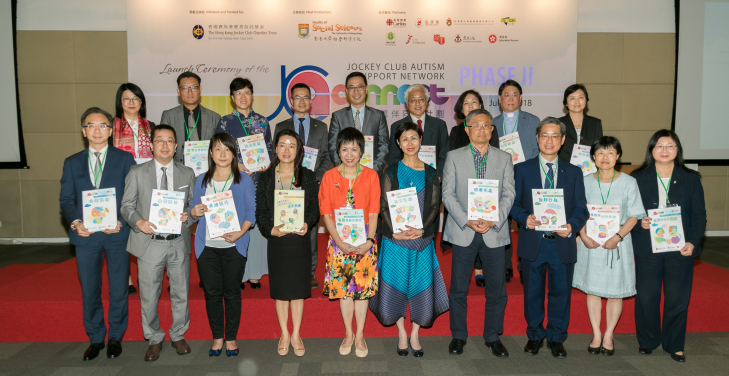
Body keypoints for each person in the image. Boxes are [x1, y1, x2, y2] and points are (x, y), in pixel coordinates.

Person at [59, 107, 136, 361]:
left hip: (116, 233)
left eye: (102, 125)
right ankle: (95, 338)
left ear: (111, 131)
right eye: (91, 125)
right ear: (84, 131)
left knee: (118, 289)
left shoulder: (125, 159)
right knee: (90, 289)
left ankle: (115, 337)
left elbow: (132, 197)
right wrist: (76, 222)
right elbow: (66, 200)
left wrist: (122, 222)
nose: (97, 130)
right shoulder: (71, 162)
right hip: (86, 236)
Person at [369, 122, 449, 358]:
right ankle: (402, 332)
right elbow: (384, 206)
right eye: (405, 139)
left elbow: (435, 207)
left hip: (421, 240)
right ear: (398, 143)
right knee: (397, 285)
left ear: (420, 140)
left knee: (419, 286)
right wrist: (395, 231)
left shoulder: (432, 172)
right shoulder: (391, 172)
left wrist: (421, 229)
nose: (410, 143)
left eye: (414, 138)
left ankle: (415, 333)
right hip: (395, 241)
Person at [510, 117, 588, 359]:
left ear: (563, 140)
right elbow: (512, 203)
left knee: (560, 294)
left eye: (555, 136)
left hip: (562, 243)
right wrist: (525, 218)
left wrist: (572, 226)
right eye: (545, 135)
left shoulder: (574, 172)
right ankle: (534, 335)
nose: (549, 140)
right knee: (532, 293)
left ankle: (556, 337)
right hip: (533, 242)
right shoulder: (522, 169)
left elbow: (581, 208)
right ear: (537, 138)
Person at [442, 109, 515, 357]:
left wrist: (493, 220)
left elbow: (509, 194)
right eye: (476, 125)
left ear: (492, 130)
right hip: (464, 230)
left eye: (486, 125)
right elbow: (448, 194)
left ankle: (493, 336)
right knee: (459, 288)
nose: (482, 129)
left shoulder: (504, 158)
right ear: (467, 129)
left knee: (497, 289)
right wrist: (467, 220)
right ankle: (458, 336)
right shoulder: (453, 157)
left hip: (494, 232)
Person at [120, 124, 196, 361]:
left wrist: (188, 215)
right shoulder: (137, 172)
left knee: (181, 292)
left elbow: (190, 206)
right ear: (151, 145)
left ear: (176, 146)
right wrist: (138, 221)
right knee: (149, 295)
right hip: (149, 242)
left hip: (178, 242)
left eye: (169, 141)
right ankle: (153, 337)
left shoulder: (187, 173)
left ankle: (178, 334)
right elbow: (126, 206)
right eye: (159, 140)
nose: (164, 145)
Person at [631, 129, 706, 363]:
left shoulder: (691, 178)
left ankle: (675, 344)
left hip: (679, 248)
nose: (664, 150)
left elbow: (699, 215)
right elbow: (629, 212)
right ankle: (648, 340)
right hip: (648, 247)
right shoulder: (637, 177)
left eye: (670, 146)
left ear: (677, 150)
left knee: (677, 297)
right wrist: (639, 222)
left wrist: (693, 242)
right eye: (659, 146)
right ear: (651, 150)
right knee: (646, 296)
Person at [572, 136, 645, 356]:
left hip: (618, 244)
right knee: (592, 291)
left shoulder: (628, 182)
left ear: (618, 156)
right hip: (590, 243)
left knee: (615, 293)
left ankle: (609, 334)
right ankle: (596, 333)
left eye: (611, 152)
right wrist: (582, 235)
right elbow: (576, 212)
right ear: (593, 156)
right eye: (601, 153)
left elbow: (634, 215)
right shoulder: (583, 181)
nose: (605, 157)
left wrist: (618, 236)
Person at [189, 133, 256, 357]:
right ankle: (217, 337)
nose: (222, 154)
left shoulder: (244, 179)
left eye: (227, 149)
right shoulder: (201, 180)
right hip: (206, 246)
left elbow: (250, 211)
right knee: (212, 294)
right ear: (210, 153)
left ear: (234, 153)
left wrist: (240, 232)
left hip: (233, 246)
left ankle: (231, 338)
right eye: (217, 149)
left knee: (232, 293)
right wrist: (193, 212)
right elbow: (193, 212)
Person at [256, 129, 320, 357]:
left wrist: (308, 223)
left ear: (298, 150)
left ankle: (296, 335)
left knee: (298, 291)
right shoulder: (266, 177)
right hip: (278, 241)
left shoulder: (308, 176)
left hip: (299, 241)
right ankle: (284, 333)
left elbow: (314, 208)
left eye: (291, 145)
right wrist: (269, 230)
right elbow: (261, 211)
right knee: (282, 290)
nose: (286, 150)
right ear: (275, 149)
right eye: (282, 145)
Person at [319, 127, 380, 358]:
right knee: (344, 291)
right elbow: (326, 215)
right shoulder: (329, 177)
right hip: (338, 240)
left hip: (364, 239)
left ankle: (361, 335)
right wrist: (339, 243)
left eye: (354, 149)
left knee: (361, 291)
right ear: (338, 151)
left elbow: (374, 213)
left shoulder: (371, 176)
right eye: (345, 149)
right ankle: (348, 334)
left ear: (362, 151)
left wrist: (369, 241)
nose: (349, 154)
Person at [216, 77, 273, 290]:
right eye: (238, 93)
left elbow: (269, 149)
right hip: (234, 180)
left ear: (252, 96)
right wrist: (235, 164)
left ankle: (255, 273)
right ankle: (239, 274)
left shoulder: (263, 121)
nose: (243, 97)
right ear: (232, 98)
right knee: (237, 225)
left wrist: (266, 164)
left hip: (258, 181)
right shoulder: (225, 121)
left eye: (247, 92)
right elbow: (219, 151)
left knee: (256, 228)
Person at [275, 82, 331, 289]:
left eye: (305, 97)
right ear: (291, 101)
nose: (301, 101)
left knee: (311, 230)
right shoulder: (281, 127)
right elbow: (277, 156)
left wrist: (313, 179)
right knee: (286, 226)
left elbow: (325, 157)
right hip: (287, 187)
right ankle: (288, 269)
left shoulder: (321, 127)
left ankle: (309, 272)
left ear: (310, 101)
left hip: (311, 185)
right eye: (297, 97)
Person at [446, 90, 500, 286]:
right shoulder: (455, 133)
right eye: (466, 103)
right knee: (458, 288)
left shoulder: (489, 132)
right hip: (464, 194)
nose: (470, 105)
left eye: (474, 101)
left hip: (488, 196)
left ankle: (481, 267)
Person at [493, 80, 540, 283]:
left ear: (520, 99)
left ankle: (524, 264)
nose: (510, 98)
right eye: (506, 95)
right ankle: (505, 266)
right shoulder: (492, 123)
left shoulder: (533, 120)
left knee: (525, 222)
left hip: (524, 177)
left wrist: (523, 168)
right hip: (499, 179)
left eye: (514, 95)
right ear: (499, 99)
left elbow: (536, 150)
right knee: (501, 222)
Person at [113, 82, 155, 295]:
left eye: (135, 99)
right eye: (126, 98)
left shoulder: (151, 126)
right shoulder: (111, 127)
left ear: (141, 102)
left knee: (145, 229)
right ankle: (127, 278)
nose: (131, 103)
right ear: (120, 102)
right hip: (122, 184)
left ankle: (146, 273)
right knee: (124, 231)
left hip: (147, 184)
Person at [328, 72, 389, 174]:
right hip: (345, 175)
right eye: (351, 88)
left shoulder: (378, 116)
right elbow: (333, 146)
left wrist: (372, 171)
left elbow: (384, 146)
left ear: (366, 89)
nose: (356, 91)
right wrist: (345, 171)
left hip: (372, 174)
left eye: (360, 87)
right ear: (347, 91)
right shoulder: (338, 116)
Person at [387, 84, 450, 176]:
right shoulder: (396, 126)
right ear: (407, 104)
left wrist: (438, 176)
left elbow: (444, 155)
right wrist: (404, 175)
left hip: (432, 178)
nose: (417, 103)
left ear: (426, 102)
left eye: (421, 99)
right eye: (413, 100)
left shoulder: (440, 125)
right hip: (406, 178)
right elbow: (393, 158)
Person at [160, 72, 221, 164]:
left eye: (193, 87)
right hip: (178, 169)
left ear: (200, 90)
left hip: (207, 170)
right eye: (184, 88)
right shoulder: (168, 116)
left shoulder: (214, 117)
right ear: (178, 91)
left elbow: (219, 147)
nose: (189, 92)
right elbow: (163, 145)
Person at [558, 84, 604, 162]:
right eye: (572, 98)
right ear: (566, 103)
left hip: (588, 169)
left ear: (586, 100)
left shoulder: (595, 123)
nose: (577, 102)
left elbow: (599, 149)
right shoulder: (558, 123)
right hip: (564, 169)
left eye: (580, 97)